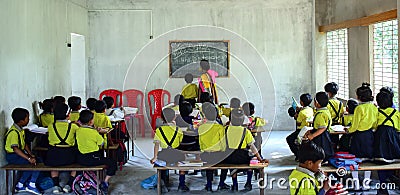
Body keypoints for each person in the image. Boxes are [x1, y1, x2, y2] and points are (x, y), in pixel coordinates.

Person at [220, 109, 268, 192]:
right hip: (243, 158)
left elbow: (222, 145)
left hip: (229, 158)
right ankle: (248, 183)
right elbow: (253, 147)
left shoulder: (225, 130)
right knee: (251, 159)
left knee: (231, 162)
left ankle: (235, 185)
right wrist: (260, 158)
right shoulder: (246, 131)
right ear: (243, 120)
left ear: (230, 119)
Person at [76, 110, 117, 195]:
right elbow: (101, 143)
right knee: (112, 163)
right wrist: (98, 132)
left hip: (80, 158)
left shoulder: (78, 130)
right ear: (91, 121)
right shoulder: (93, 132)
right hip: (92, 159)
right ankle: (105, 182)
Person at [345, 82, 377, 190]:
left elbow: (355, 126)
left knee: (355, 161)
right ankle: (366, 184)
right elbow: (375, 124)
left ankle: (356, 184)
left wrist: (348, 130)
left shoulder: (359, 108)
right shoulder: (373, 107)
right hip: (369, 135)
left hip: (358, 137)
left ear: (359, 97)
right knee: (368, 161)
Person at [5, 108, 41, 194]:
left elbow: (24, 144)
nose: (28, 120)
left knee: (37, 160)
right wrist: (29, 158)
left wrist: (30, 154)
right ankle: (30, 185)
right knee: (32, 163)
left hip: (18, 154)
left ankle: (21, 184)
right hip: (13, 156)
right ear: (21, 121)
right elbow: (15, 149)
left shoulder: (20, 130)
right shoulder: (14, 132)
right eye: (27, 118)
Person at [150, 108, 187, 192]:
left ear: (162, 118)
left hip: (164, 154)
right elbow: (181, 143)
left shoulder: (159, 130)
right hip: (177, 154)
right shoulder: (178, 129)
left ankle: (163, 182)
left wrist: (155, 157)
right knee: (182, 165)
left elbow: (156, 145)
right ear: (174, 117)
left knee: (161, 163)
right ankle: (181, 184)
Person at [45, 103, 79, 193]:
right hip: (69, 155)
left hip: (54, 154)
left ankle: (56, 185)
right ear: (68, 115)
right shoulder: (73, 127)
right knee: (77, 163)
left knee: (53, 166)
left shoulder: (51, 126)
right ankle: (69, 184)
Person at [374, 91, 400, 194]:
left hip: (380, 141)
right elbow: (398, 127)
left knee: (380, 162)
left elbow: (374, 126)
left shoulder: (377, 112)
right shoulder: (396, 113)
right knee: (392, 161)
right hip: (393, 140)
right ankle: (391, 179)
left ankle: (382, 184)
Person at [198, 102, 226, 192]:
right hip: (218, 155)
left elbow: (200, 144)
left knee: (208, 164)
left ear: (205, 115)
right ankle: (221, 183)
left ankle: (209, 184)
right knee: (226, 161)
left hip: (205, 155)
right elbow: (223, 144)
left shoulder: (201, 127)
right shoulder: (220, 127)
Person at [305, 92, 334, 162]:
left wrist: (312, 135)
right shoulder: (326, 111)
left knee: (319, 152)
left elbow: (322, 127)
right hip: (325, 134)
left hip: (320, 136)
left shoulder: (320, 114)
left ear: (317, 103)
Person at [286, 94, 313, 160]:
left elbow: (298, 123)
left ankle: (298, 155)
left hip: (301, 130)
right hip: (310, 129)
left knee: (289, 139)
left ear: (301, 102)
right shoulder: (310, 109)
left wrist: (296, 115)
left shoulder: (301, 113)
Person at [324, 82, 345, 150]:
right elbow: (341, 114)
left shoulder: (326, 103)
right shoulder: (340, 103)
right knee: (335, 142)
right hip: (337, 125)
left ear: (328, 93)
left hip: (328, 125)